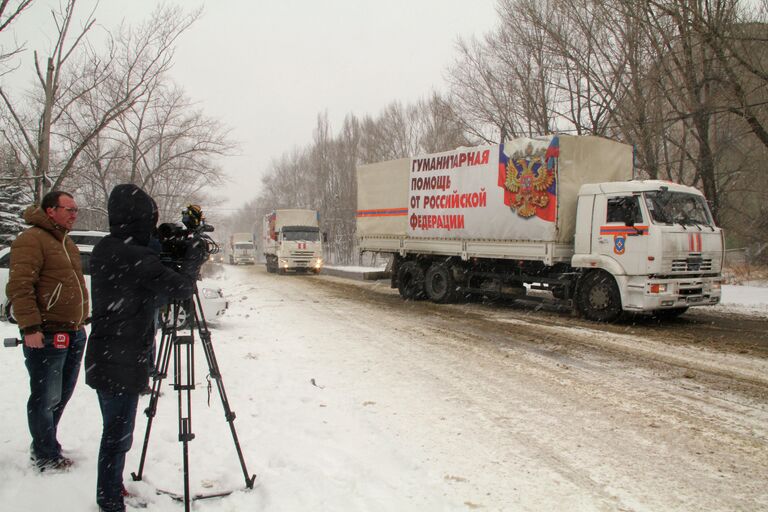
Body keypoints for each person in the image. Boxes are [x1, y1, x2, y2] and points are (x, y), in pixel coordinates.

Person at [85, 184, 205, 512]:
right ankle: (109, 500)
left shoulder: (107, 249)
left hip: (108, 355)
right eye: (149, 220)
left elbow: (149, 283)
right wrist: (191, 260)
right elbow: (180, 288)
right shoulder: (135, 257)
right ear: (138, 219)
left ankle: (113, 488)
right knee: (117, 436)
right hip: (119, 360)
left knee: (117, 433)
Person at [5, 190, 89, 471]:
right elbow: (20, 286)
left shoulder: (66, 242)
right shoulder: (31, 240)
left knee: (61, 395)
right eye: (69, 209)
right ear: (50, 210)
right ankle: (44, 454)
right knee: (45, 397)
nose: (74, 214)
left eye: (76, 209)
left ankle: (47, 443)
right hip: (47, 334)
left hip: (74, 331)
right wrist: (30, 327)